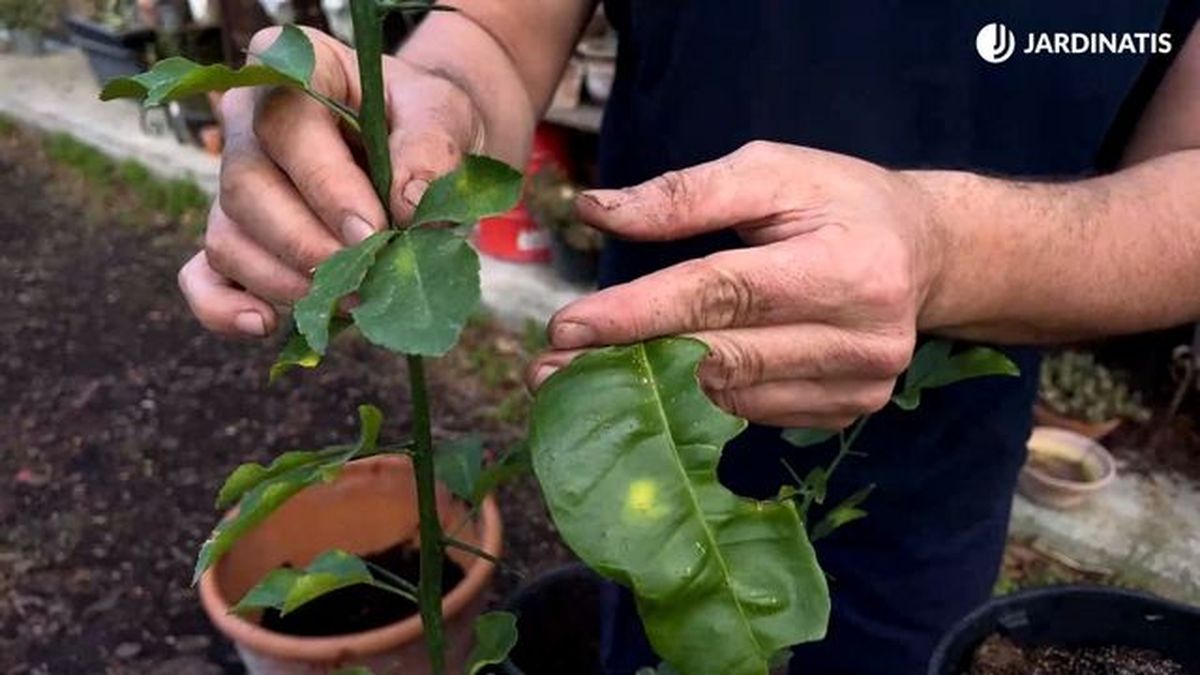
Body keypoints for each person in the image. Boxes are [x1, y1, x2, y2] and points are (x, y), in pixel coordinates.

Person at [178, 2, 1200, 673]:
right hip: (643, 434)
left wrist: (948, 248)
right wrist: (426, 110)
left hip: (934, 473)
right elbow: (494, 30)